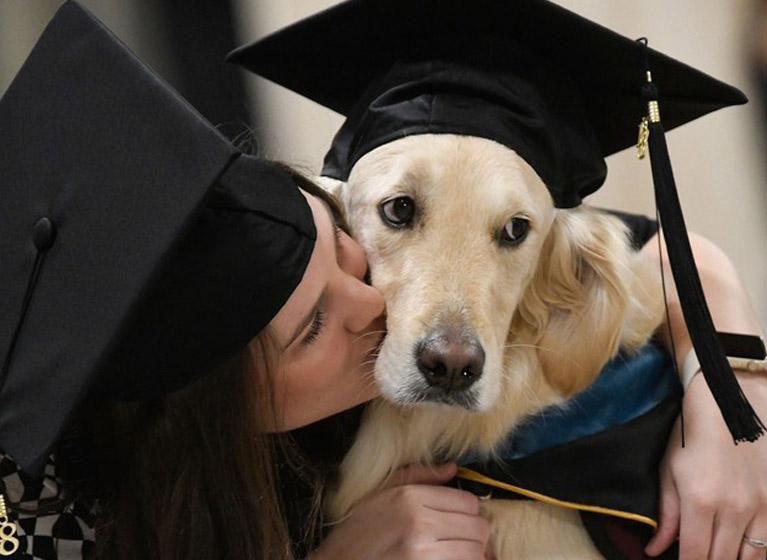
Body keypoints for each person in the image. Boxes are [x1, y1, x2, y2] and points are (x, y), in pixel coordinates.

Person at [229, 0, 767, 558]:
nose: (455, 348)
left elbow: (654, 252)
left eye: (511, 231)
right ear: (339, 227)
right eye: (401, 211)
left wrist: (735, 397)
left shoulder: (607, 431)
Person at [0, 4, 491, 559]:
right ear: (213, 417)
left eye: (340, 248)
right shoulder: (47, 525)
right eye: (314, 327)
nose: (372, 302)